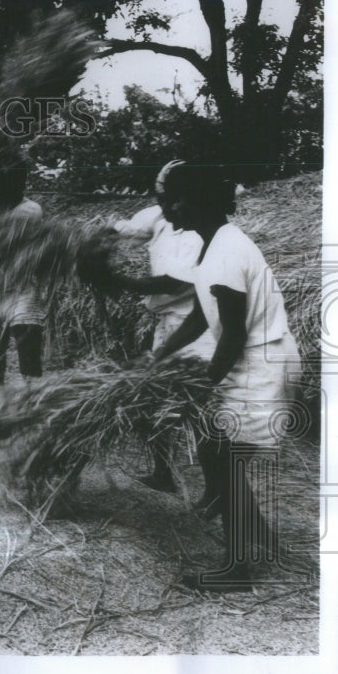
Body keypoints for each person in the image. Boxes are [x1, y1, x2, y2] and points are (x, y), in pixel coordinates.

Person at [151, 162, 301, 592]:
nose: (169, 207)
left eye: (175, 198)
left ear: (198, 200)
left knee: (223, 458)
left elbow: (233, 333)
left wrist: (203, 382)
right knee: (215, 448)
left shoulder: (226, 252)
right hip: (254, 360)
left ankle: (237, 570)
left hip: (261, 363)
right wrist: (161, 354)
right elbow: (203, 313)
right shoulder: (213, 243)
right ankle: (260, 540)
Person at [111, 160, 216, 493]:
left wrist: (122, 282)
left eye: (169, 199)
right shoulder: (160, 219)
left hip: (195, 327)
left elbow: (173, 283)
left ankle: (216, 486)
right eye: (160, 198)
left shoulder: (200, 234)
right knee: (156, 398)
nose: (165, 206)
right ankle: (163, 472)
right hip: (168, 323)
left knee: (201, 405)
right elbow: (127, 229)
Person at [0, 164, 45, 386]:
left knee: (27, 344)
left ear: (21, 186)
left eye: (9, 186)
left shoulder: (30, 210)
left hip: (21, 286)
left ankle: (33, 396)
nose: (0, 191)